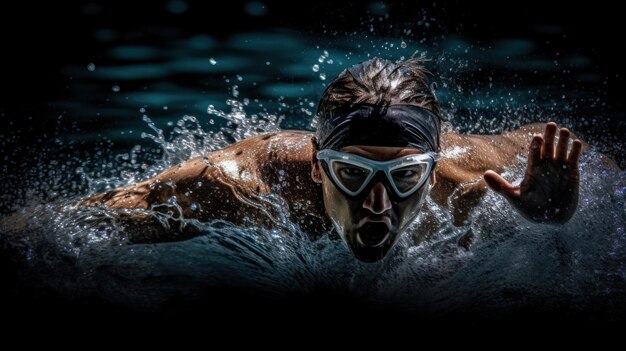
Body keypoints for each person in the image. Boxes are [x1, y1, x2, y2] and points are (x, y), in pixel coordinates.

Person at [78, 57, 596, 262]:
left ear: (433, 169)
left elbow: (580, 152)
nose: (377, 203)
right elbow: (67, 226)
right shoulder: (232, 186)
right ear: (316, 166)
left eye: (405, 176)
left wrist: (552, 218)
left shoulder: (468, 178)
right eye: (351, 172)